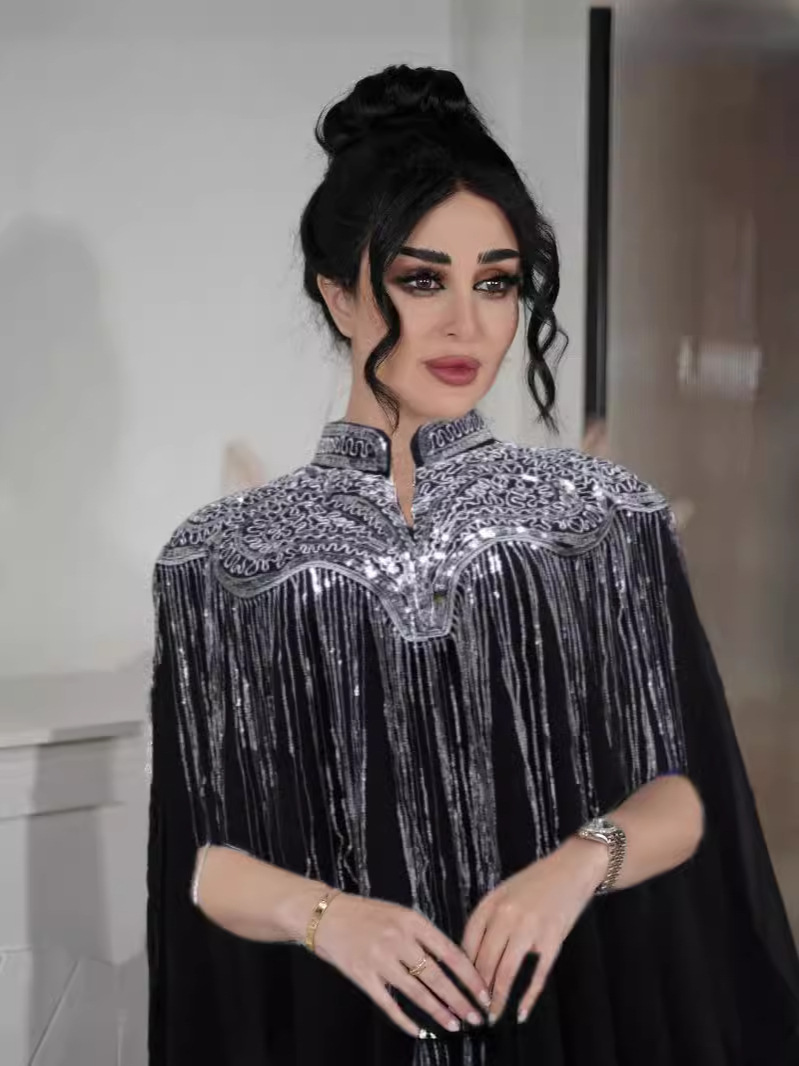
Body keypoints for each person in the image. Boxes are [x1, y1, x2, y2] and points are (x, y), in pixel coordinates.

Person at [146, 65, 799, 1065]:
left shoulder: (601, 518)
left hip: (569, 1005)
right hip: (347, 1022)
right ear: (339, 294)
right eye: (422, 281)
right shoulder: (222, 559)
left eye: (495, 282)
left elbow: (683, 794)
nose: (468, 323)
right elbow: (201, 863)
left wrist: (576, 864)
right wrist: (328, 917)